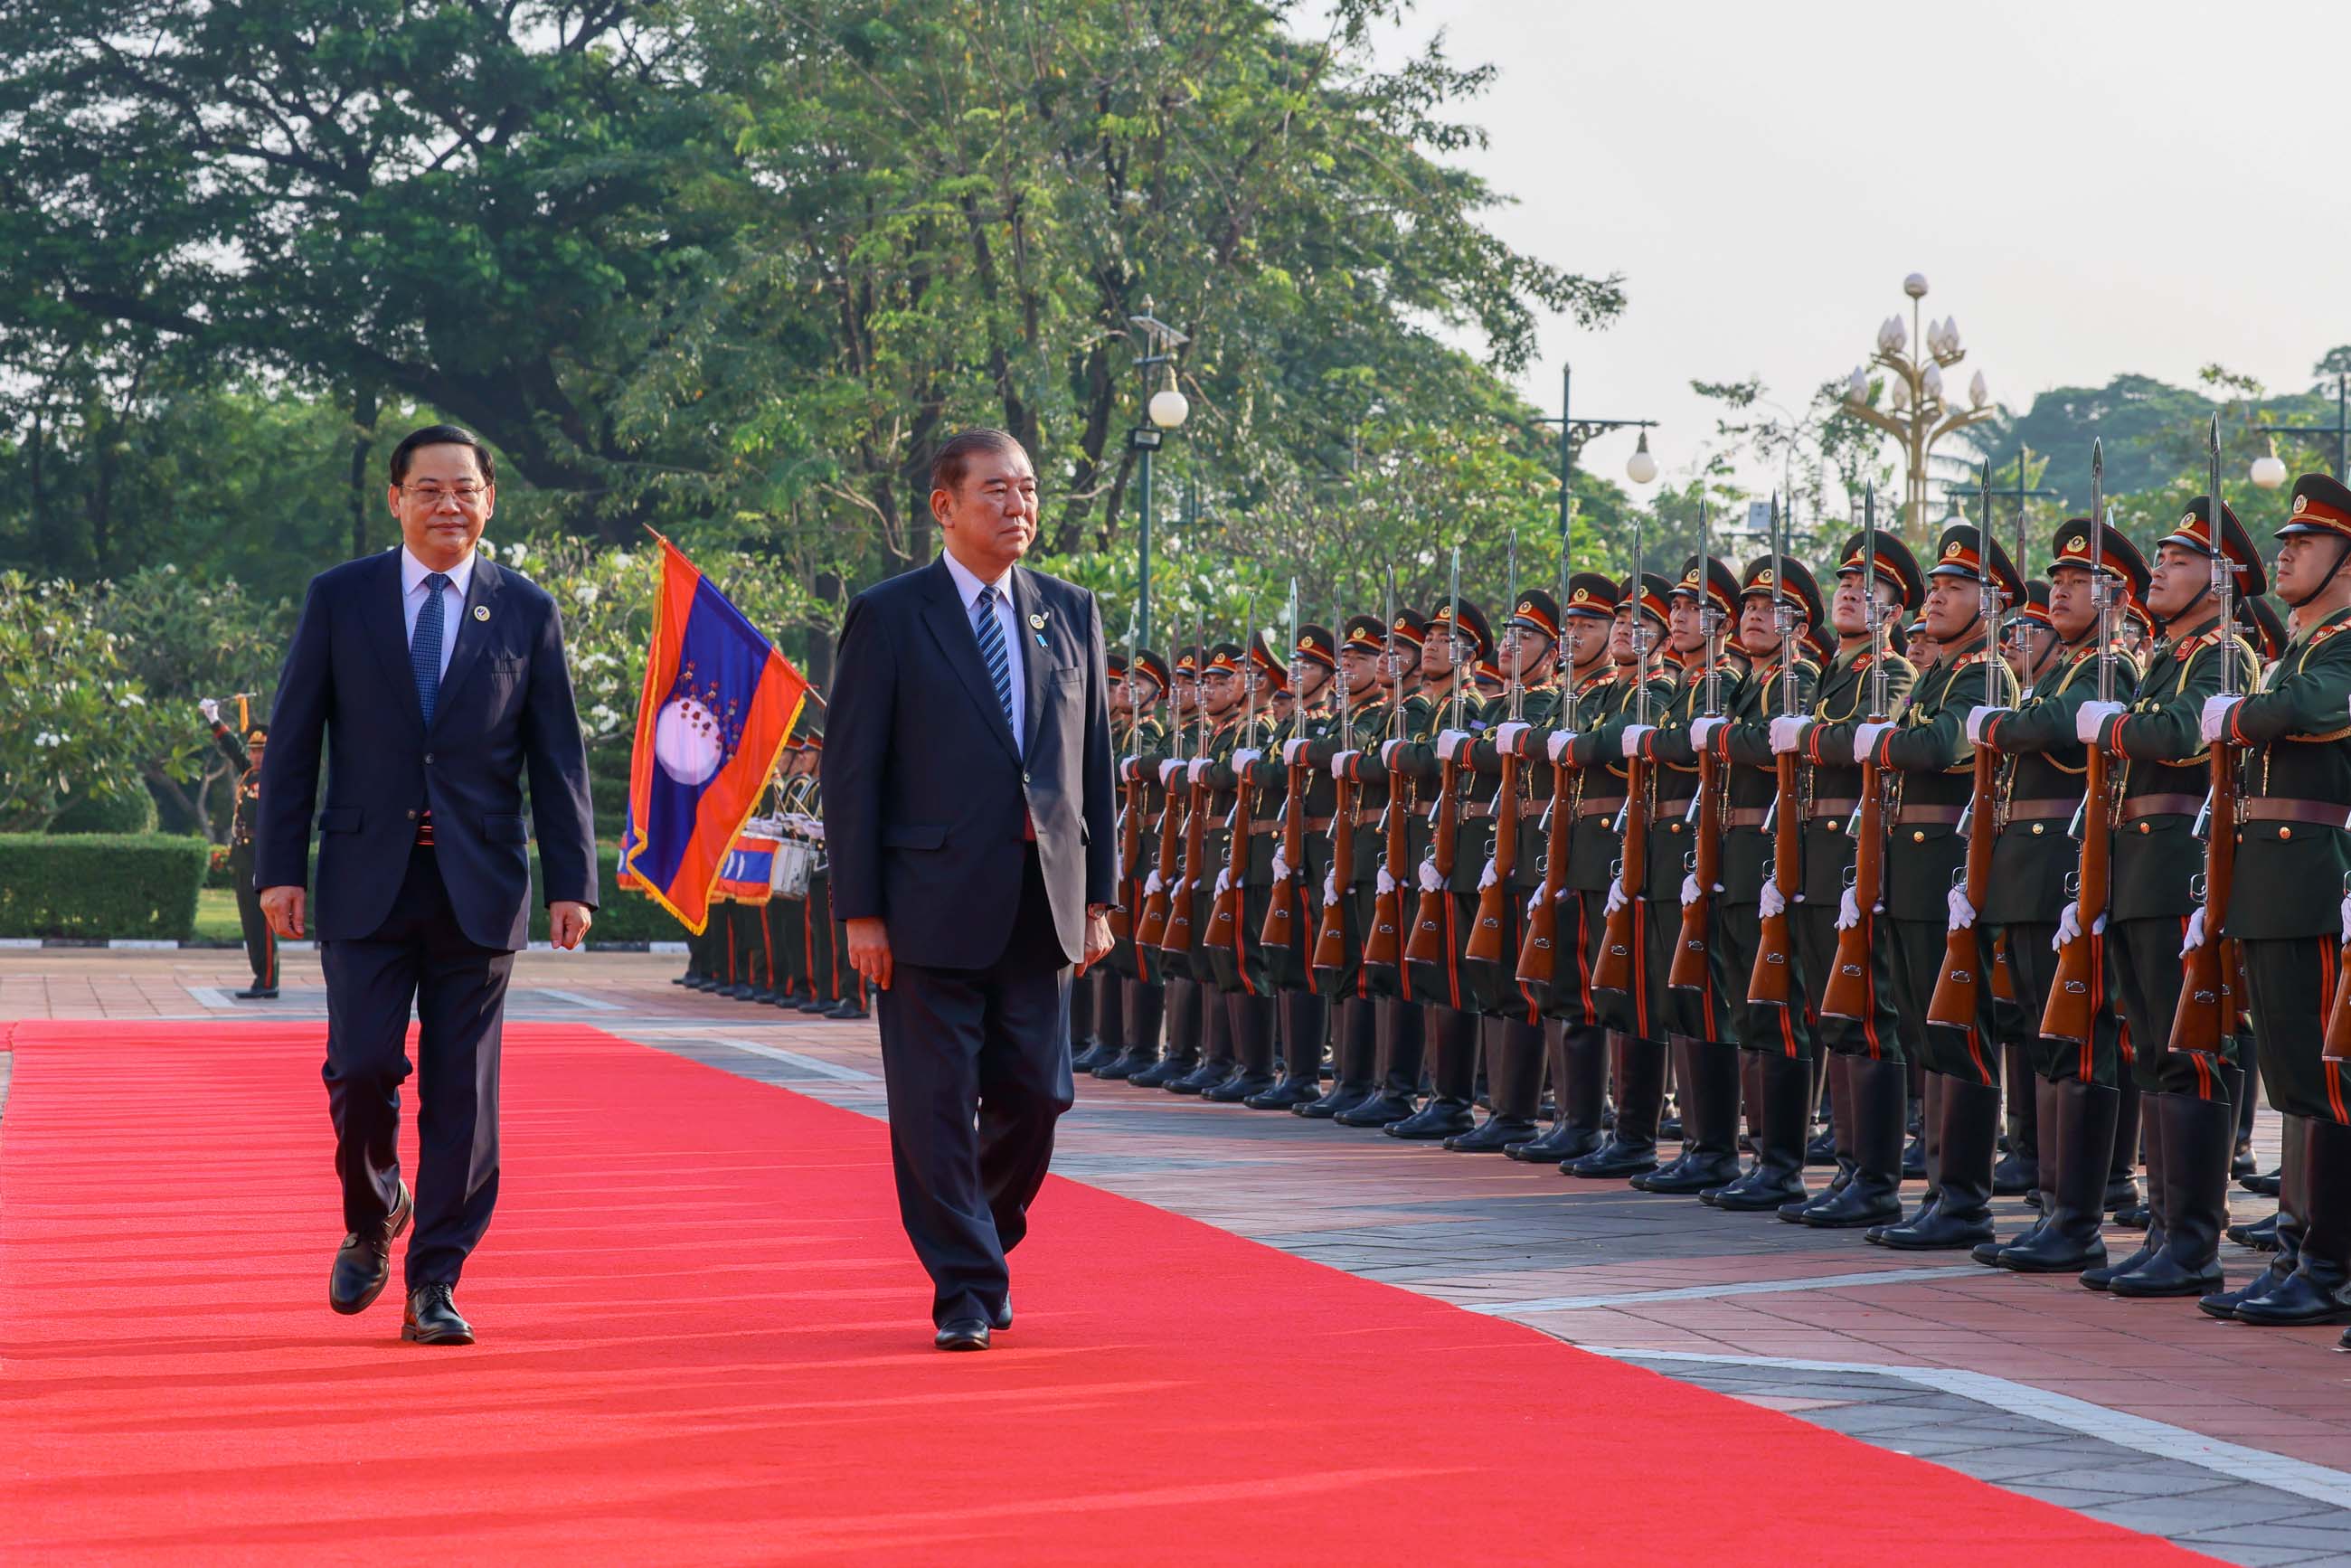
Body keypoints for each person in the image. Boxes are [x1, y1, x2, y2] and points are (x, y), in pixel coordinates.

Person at [257, 422, 597, 1347]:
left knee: (463, 1094)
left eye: (466, 489)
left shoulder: (523, 609)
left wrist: (573, 881)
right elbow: (293, 743)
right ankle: (373, 1215)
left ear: (490, 500)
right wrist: (279, 867)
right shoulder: (342, 599)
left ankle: (435, 1280)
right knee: (360, 1068)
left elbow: (555, 756)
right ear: (396, 500)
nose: (449, 505)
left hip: (478, 884)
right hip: (365, 877)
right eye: (430, 489)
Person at [823, 428, 1115, 1353]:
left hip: (1042, 901)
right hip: (924, 904)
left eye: (1026, 489)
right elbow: (852, 772)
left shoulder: (1068, 611)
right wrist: (860, 910)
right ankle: (963, 1284)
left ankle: (982, 1233)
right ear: (943, 506)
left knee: (1038, 1094)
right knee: (934, 1105)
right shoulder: (891, 614)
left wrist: (1098, 894)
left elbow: (1093, 763)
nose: (1016, 506)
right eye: (994, 490)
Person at [201, 699, 279, 999]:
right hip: (245, 854)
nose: (256, 757)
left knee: (264, 921)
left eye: (261, 752)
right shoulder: (248, 775)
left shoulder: (275, 776)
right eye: (254, 752)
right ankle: (260, 976)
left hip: (263, 854)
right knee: (249, 918)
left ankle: (269, 979)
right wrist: (214, 719)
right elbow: (232, 748)